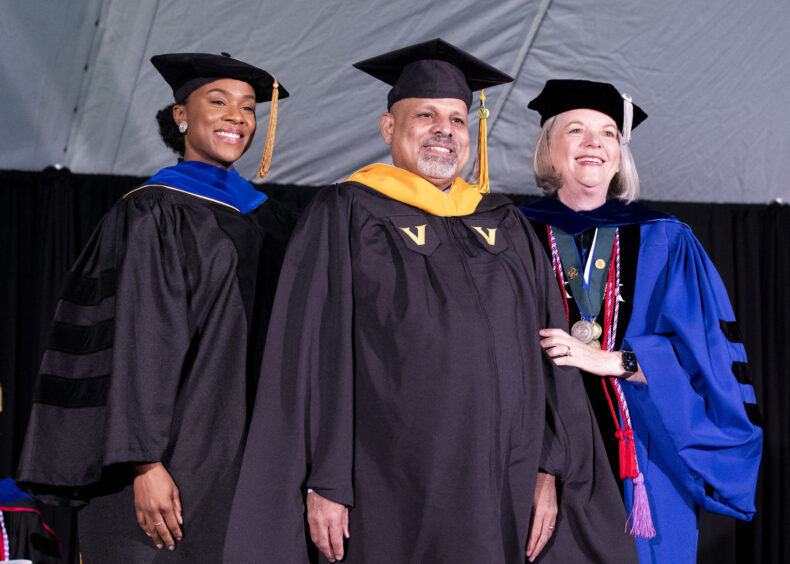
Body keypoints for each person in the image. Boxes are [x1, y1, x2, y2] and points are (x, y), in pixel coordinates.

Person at [224, 39, 637, 563]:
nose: (445, 130)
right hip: (388, 483)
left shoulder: (503, 223)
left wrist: (548, 467)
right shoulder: (346, 212)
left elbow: (548, 349)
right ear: (389, 128)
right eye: (426, 115)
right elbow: (313, 357)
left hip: (505, 482)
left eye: (458, 119)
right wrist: (324, 480)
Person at [16, 52, 295, 562]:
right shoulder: (154, 211)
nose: (237, 116)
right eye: (218, 101)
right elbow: (141, 340)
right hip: (169, 462)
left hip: (245, 456)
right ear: (180, 116)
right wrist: (144, 465)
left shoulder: (267, 220)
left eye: (249, 107)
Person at [519, 79, 763, 563]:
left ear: (619, 152)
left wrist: (615, 360)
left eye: (608, 133)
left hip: (643, 460)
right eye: (576, 130)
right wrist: (537, 467)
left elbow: (709, 363)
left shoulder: (667, 240)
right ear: (549, 148)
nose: (593, 144)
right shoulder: (513, 235)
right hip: (536, 456)